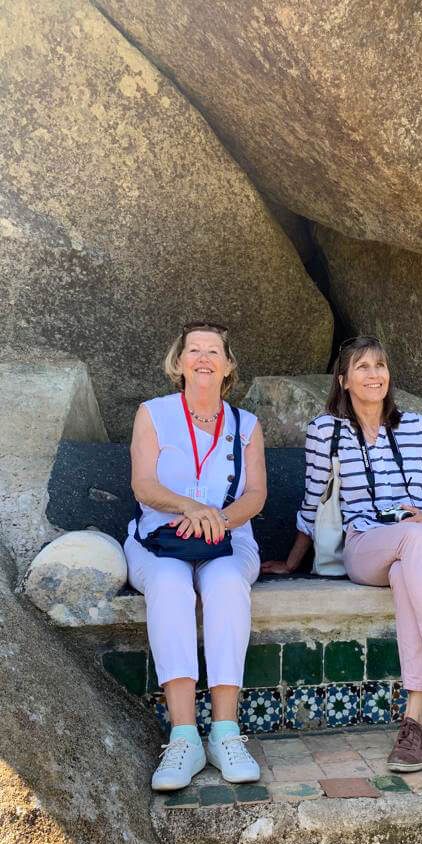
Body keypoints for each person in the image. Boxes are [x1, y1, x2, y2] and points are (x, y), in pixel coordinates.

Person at [262, 336, 422, 772]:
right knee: (409, 543)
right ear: (344, 379)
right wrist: (293, 560)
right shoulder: (325, 430)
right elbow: (313, 502)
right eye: (362, 367)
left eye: (381, 365)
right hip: (366, 543)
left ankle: (416, 721)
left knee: (411, 565)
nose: (374, 374)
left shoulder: (417, 426)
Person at [125, 323, 267, 791]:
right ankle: (183, 738)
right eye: (193, 350)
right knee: (168, 584)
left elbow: (256, 496)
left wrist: (217, 521)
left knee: (226, 584)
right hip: (160, 537)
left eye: (213, 351)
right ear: (178, 361)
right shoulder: (153, 414)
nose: (202, 357)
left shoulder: (246, 426)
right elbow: (143, 485)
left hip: (229, 539)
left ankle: (225, 732)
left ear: (228, 366)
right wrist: (191, 508)